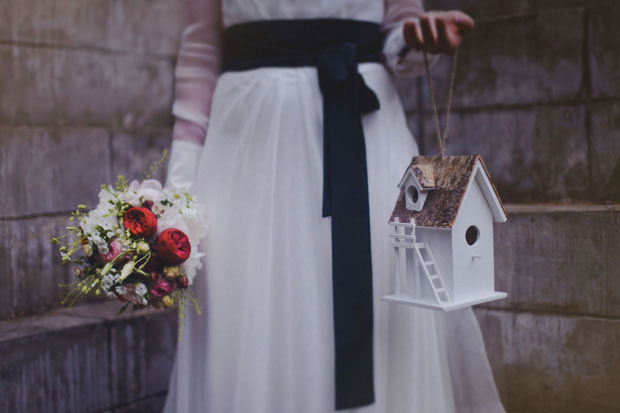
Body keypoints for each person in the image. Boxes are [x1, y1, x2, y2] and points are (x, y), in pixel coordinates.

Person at [163, 0, 503, 412]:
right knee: (246, 309)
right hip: (245, 147)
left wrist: (416, 38)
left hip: (364, 131)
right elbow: (200, 55)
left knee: (385, 301)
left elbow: (399, 31)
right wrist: (175, 195)